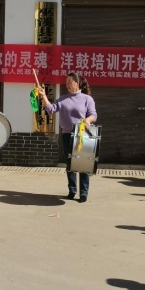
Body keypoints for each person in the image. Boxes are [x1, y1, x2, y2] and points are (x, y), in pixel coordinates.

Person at [38, 73, 97, 203]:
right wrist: (44, 96)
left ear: (77, 83)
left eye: (70, 82)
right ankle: (72, 190)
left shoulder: (87, 99)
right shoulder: (62, 99)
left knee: (83, 164)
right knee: (70, 164)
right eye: (66, 83)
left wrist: (87, 120)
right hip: (67, 135)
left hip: (83, 135)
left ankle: (83, 193)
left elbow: (93, 115)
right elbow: (51, 109)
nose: (67, 85)